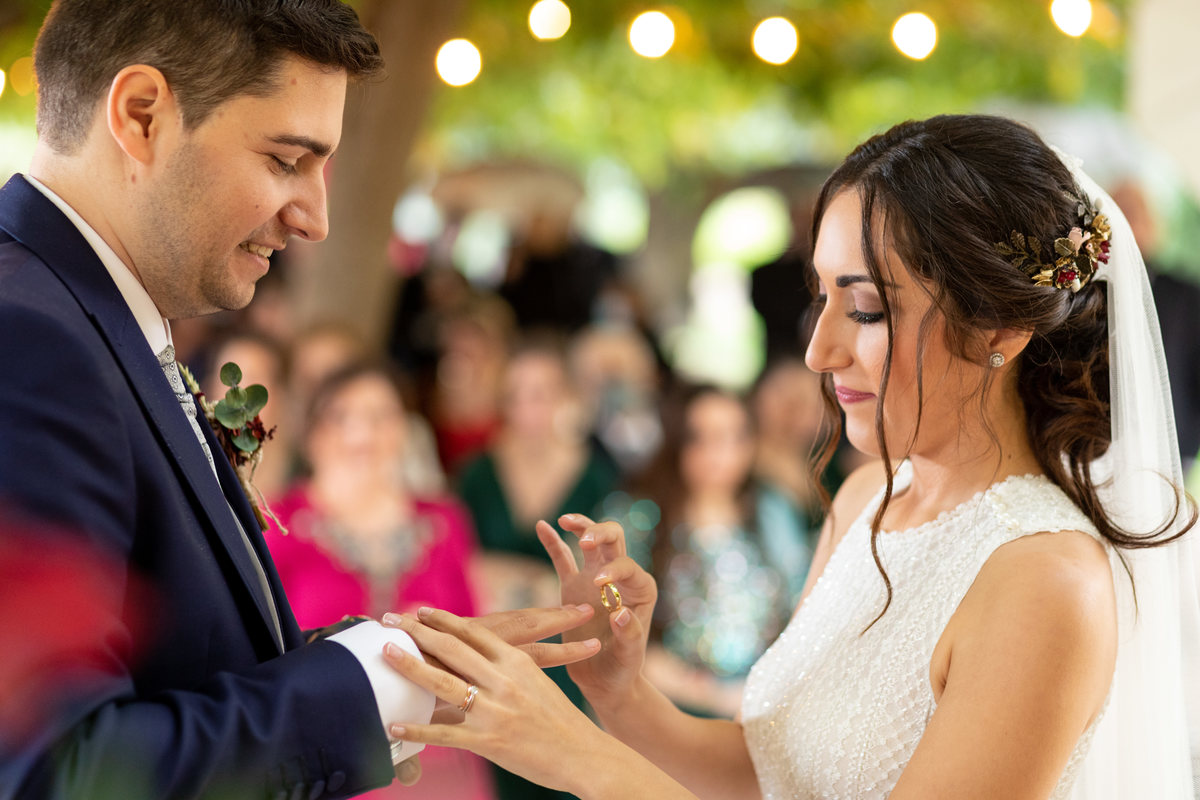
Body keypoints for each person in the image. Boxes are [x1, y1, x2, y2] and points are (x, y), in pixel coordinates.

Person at [377, 115, 1200, 799]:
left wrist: (579, 759)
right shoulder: (865, 499)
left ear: (999, 330)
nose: (818, 351)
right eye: (821, 299)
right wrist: (618, 691)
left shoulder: (1043, 580)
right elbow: (777, 772)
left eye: (869, 309)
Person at [0, 3, 597, 798]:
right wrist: (365, 691)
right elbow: (58, 770)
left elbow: (177, 658)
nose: (314, 218)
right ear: (141, 116)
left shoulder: (81, 317)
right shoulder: (27, 339)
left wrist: (402, 666)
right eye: (287, 159)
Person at [265, 362, 493, 799]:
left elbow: (476, 639)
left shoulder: (445, 520)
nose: (362, 433)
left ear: (404, 430)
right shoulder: (279, 523)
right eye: (343, 415)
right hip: (322, 752)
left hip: (437, 753)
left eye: (380, 416)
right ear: (313, 431)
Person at [624, 385, 811, 718]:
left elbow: (805, 607)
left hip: (762, 704)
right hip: (668, 707)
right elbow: (614, 620)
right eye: (702, 438)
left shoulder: (772, 511)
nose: (720, 453)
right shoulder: (641, 517)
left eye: (734, 437)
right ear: (675, 442)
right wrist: (711, 694)